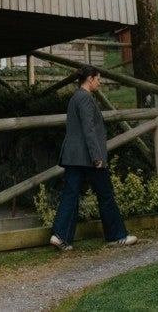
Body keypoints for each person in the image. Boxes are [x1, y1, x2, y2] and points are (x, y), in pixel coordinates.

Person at [49, 65, 138, 251]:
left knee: (70, 194)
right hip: (88, 158)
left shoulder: (75, 97)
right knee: (106, 195)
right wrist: (97, 156)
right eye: (98, 79)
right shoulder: (85, 98)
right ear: (90, 79)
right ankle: (117, 236)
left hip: (73, 157)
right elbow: (88, 129)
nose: (100, 82)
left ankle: (60, 236)